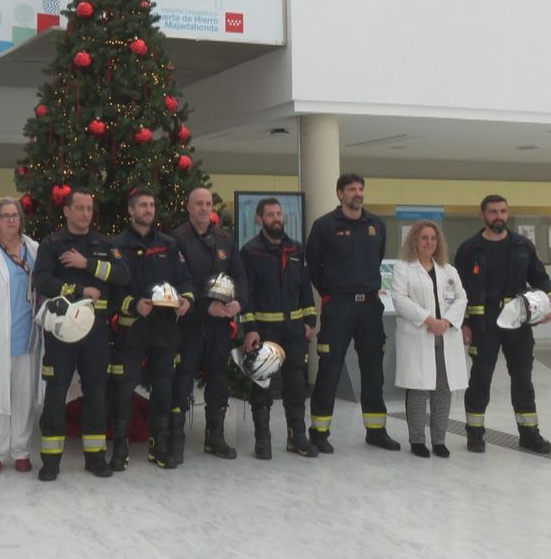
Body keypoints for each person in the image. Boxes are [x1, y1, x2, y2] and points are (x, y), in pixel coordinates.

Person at [33, 188, 129, 481]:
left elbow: (123, 275)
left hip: (96, 333)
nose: (86, 214)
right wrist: (78, 290)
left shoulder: (103, 243)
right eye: (80, 208)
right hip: (61, 331)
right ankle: (50, 461)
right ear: (67, 211)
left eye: (89, 209)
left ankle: (95, 458)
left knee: (96, 393)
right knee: (56, 392)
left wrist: (87, 264)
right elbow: (42, 281)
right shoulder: (52, 243)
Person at [455, 195, 551, 454]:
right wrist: (463, 323)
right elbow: (457, 290)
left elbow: (541, 279)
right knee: (480, 378)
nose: (498, 216)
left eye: (502, 211)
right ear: (482, 215)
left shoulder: (522, 245)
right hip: (484, 325)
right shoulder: (470, 249)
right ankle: (475, 434)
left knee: (523, 379)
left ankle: (529, 434)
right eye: (493, 212)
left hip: (519, 323)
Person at [305, 173, 400, 452]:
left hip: (370, 306)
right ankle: (319, 432)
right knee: (330, 369)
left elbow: (377, 258)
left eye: (360, 189)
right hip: (339, 306)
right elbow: (313, 265)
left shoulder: (376, 225)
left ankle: (376, 430)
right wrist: (332, 293)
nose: (357, 193)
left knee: (373, 371)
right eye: (351, 189)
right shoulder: (324, 226)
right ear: (340, 194)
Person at [109, 188, 193, 471]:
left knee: (164, 386)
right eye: (143, 205)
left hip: (164, 329)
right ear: (131, 211)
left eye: (152, 205)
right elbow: (110, 291)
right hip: (131, 329)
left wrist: (185, 301)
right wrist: (132, 304)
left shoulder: (169, 244)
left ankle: (159, 446)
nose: (148, 209)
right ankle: (120, 448)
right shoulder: (116, 246)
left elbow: (185, 282)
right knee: (123, 387)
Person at [171, 187, 249, 463]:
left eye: (208, 203)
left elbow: (239, 275)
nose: (204, 208)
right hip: (190, 323)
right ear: (189, 207)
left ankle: (214, 438)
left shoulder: (225, 240)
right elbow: (179, 281)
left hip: (219, 326)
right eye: (198, 204)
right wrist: (206, 306)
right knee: (183, 380)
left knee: (219, 378)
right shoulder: (177, 240)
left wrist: (239, 302)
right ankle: (175, 441)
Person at [238, 197, 318, 460]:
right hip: (264, 331)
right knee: (261, 386)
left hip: (294, 331)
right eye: (270, 214)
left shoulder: (296, 250)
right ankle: (263, 440)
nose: (276, 218)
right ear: (259, 219)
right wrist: (250, 328)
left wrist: (309, 321)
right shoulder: (250, 252)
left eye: (279, 213)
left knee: (296, 385)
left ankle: (297, 437)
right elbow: (245, 294)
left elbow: (305, 287)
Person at [389, 220, 468, 458]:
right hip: (418, 335)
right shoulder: (403, 268)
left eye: (433, 238)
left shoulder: (448, 269)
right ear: (414, 240)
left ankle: (440, 440)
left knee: (443, 390)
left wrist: (446, 322)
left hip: (445, 336)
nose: (429, 242)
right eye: (424, 238)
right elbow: (400, 300)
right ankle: (417, 440)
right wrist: (429, 320)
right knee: (419, 389)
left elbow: (461, 298)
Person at [0, 198, 41, 474]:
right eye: (5, 216)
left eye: (15, 215)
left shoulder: (34, 249)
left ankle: (21, 450)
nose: (11, 220)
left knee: (23, 397)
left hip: (27, 337)